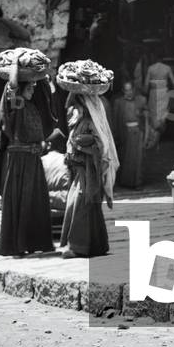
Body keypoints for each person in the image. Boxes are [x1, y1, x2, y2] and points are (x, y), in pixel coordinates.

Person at [0, 51, 56, 257]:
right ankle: (17, 245)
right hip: (18, 162)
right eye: (31, 86)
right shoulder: (15, 105)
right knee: (20, 201)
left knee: (35, 202)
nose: (33, 88)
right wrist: (17, 61)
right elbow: (12, 87)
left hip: (33, 161)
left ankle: (34, 242)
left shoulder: (32, 107)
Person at [59, 71, 119, 259]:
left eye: (77, 104)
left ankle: (79, 247)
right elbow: (68, 106)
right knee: (85, 206)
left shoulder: (90, 122)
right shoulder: (78, 119)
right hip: (79, 171)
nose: (72, 108)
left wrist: (79, 144)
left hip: (88, 171)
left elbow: (99, 145)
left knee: (81, 206)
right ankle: (97, 246)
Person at [112, 81, 147, 188]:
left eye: (130, 89)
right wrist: (116, 135)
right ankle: (125, 182)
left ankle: (137, 182)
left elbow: (146, 118)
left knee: (137, 159)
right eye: (126, 90)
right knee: (124, 157)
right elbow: (115, 119)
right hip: (124, 133)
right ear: (123, 91)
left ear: (134, 90)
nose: (129, 92)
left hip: (137, 132)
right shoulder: (118, 102)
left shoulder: (140, 100)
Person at [143, 54, 174, 149]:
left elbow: (146, 85)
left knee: (154, 116)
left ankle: (154, 141)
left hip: (154, 93)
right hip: (164, 92)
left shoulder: (151, 68)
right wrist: (172, 92)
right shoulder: (167, 68)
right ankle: (158, 140)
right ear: (162, 59)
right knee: (163, 116)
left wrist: (145, 94)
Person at [41, 129, 71, 233]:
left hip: (45, 204)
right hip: (65, 203)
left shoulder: (40, 161)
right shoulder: (67, 161)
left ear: (49, 145)